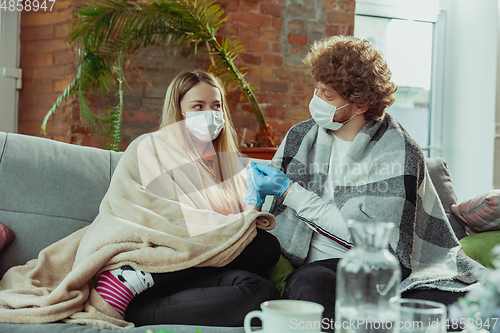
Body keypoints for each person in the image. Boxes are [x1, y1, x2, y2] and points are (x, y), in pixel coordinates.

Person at [0, 70, 280, 329]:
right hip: (150, 256)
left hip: (188, 272)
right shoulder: (151, 146)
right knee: (263, 246)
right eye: (198, 106)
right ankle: (127, 279)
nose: (210, 114)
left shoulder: (228, 167)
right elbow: (136, 209)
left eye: (216, 106)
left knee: (260, 291)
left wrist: (253, 197)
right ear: (179, 111)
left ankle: (128, 307)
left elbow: (229, 231)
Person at [245, 36, 483, 332]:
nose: (316, 99)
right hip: (326, 266)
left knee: (463, 307)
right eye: (317, 88)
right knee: (309, 285)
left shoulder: (398, 149)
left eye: (328, 95)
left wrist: (290, 192)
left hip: (391, 266)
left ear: (360, 104)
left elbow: (374, 240)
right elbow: (264, 211)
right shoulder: (300, 137)